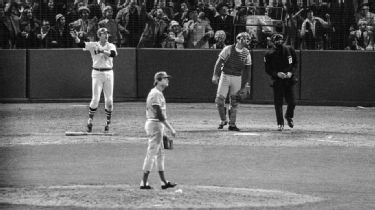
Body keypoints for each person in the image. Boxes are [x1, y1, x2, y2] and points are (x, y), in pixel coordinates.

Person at [70, 27, 118, 133]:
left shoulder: (111, 45)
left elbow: (113, 54)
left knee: (109, 100)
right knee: (95, 99)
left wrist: (102, 50)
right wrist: (76, 37)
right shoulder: (93, 44)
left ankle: (108, 123)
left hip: (109, 73)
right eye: (103, 33)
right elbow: (81, 44)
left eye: (107, 33)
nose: (106, 35)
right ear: (99, 35)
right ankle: (90, 121)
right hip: (97, 72)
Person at [140, 71, 177, 190]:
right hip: (154, 124)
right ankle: (143, 182)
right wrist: (170, 128)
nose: (167, 80)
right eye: (165, 78)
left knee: (160, 153)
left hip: (157, 125)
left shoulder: (158, 93)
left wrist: (163, 131)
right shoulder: (155, 94)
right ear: (159, 80)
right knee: (152, 153)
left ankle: (163, 182)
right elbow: (159, 114)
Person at [211, 32, 252, 131]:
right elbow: (219, 62)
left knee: (234, 101)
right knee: (220, 100)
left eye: (247, 38)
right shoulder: (228, 49)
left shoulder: (247, 52)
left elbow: (248, 70)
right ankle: (223, 120)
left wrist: (247, 84)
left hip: (237, 77)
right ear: (238, 39)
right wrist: (215, 75)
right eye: (244, 38)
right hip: (225, 75)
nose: (246, 40)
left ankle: (232, 124)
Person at [264, 33, 298, 131]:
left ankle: (288, 116)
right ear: (273, 42)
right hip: (277, 81)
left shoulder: (290, 49)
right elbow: (268, 69)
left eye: (280, 40)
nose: (279, 42)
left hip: (289, 80)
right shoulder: (269, 54)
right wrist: (277, 74)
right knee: (278, 103)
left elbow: (295, 63)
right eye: (277, 40)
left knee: (292, 102)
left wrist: (291, 73)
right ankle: (280, 123)